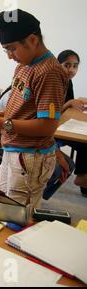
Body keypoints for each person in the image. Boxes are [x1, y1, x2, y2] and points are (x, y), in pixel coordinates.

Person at [0, 9, 68, 210]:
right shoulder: (24, 65)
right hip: (14, 149)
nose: (9, 56)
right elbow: (19, 107)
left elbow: (47, 126)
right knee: (4, 208)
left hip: (30, 157)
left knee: (18, 216)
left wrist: (0, 123)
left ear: (32, 40)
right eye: (5, 50)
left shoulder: (49, 72)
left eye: (12, 49)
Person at [57, 50, 87, 197]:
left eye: (75, 66)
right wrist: (69, 102)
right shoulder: (54, 82)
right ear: (58, 65)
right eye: (67, 65)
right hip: (51, 128)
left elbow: (68, 107)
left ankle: (84, 180)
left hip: (62, 124)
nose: (71, 70)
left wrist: (74, 103)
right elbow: (51, 113)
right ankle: (82, 178)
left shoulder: (68, 81)